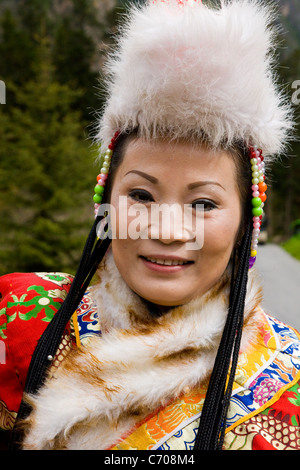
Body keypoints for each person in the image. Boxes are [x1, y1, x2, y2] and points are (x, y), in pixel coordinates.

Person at [1, 0, 299, 451]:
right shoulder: (18, 320)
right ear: (104, 199)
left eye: (203, 203)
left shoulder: (291, 382)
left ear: (247, 219)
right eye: (141, 195)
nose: (169, 229)